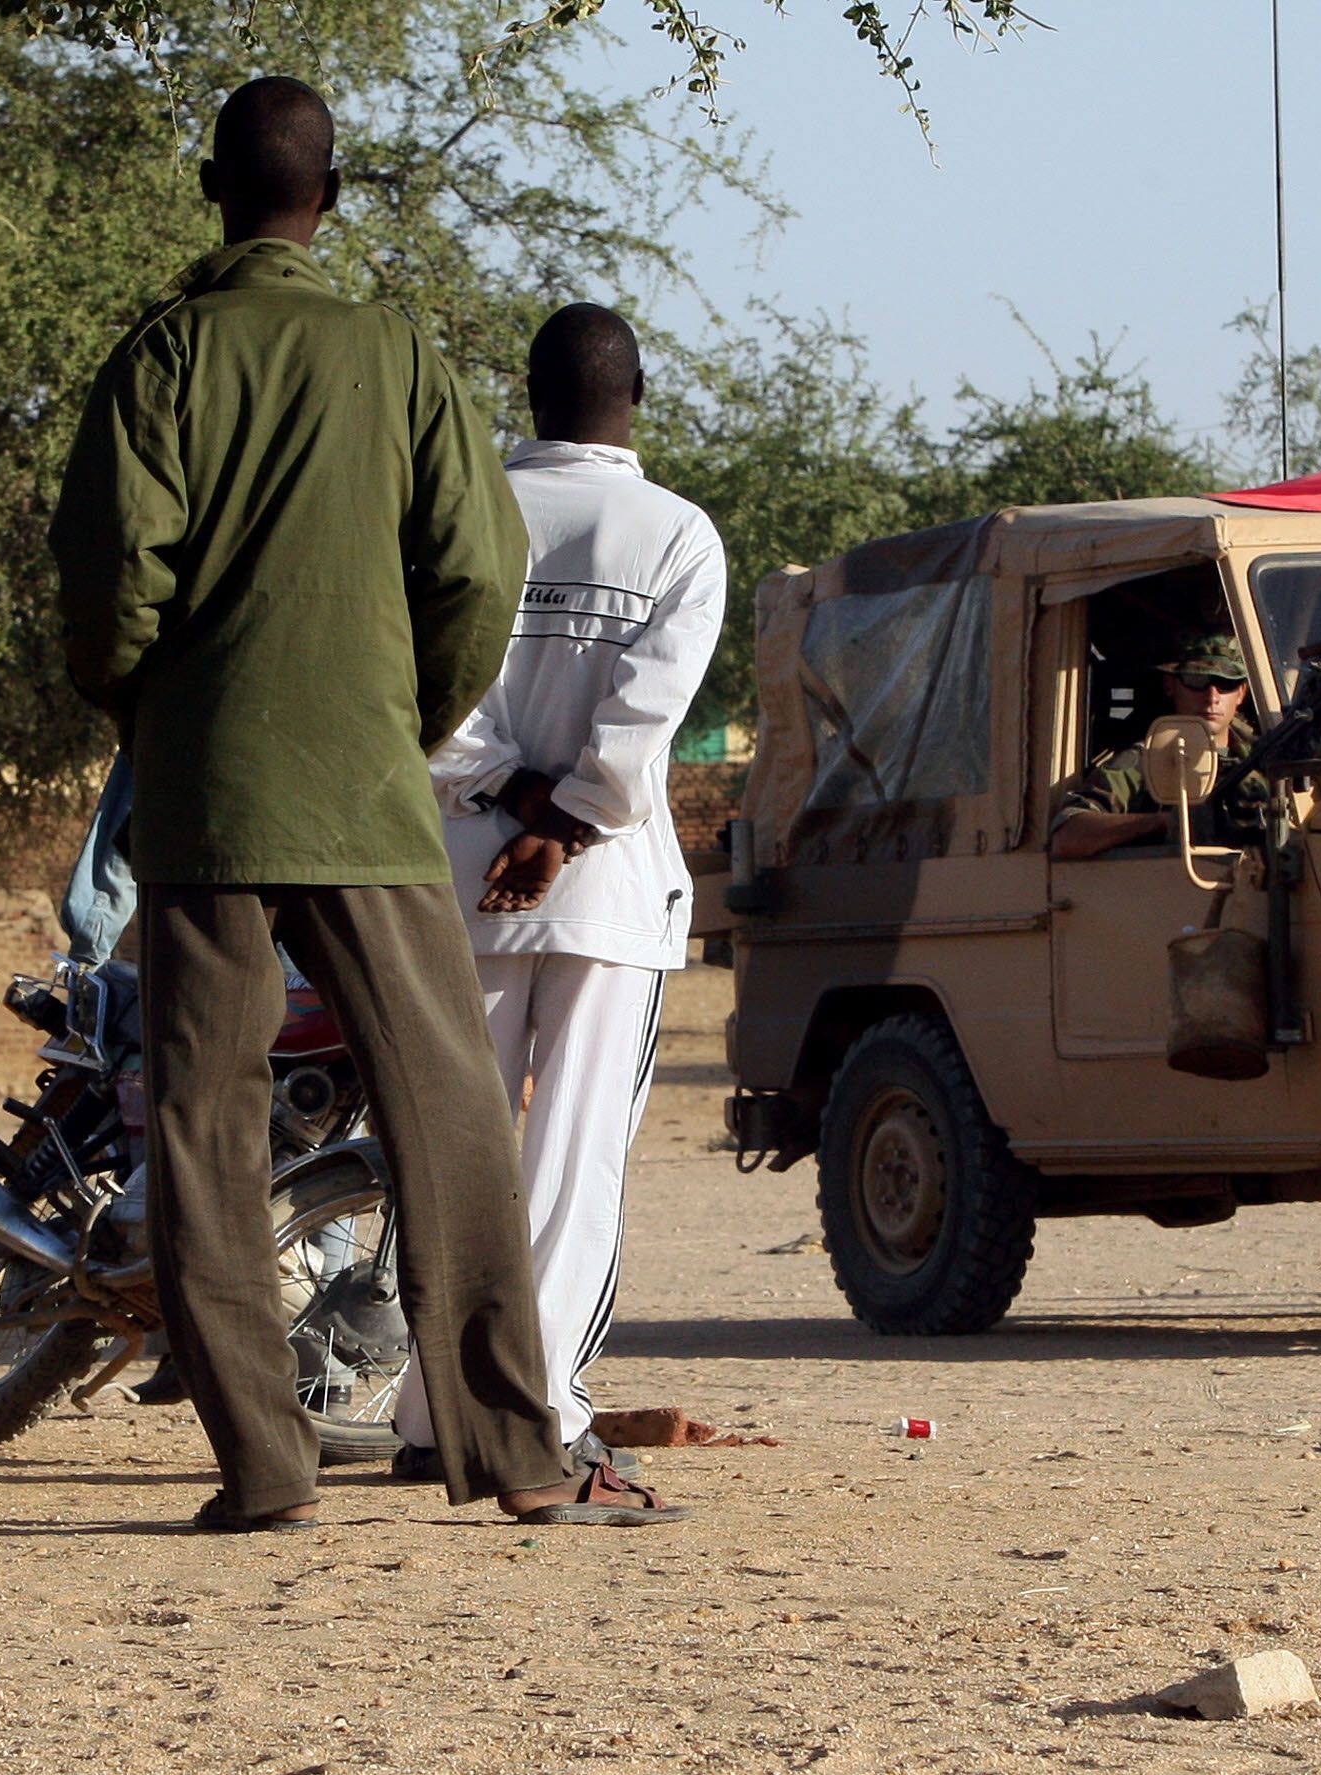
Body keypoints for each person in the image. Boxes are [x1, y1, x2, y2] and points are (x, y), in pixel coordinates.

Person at [50, 77, 679, 1534]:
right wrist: (403, 720)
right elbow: (478, 570)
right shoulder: (397, 355)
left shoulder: (161, 357)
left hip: (210, 802)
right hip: (372, 794)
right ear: (330, 197)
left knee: (205, 1124)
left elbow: (109, 584)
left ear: (213, 188)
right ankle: (520, 1451)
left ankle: (266, 1470)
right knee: (450, 1104)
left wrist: (162, 714)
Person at [396, 302, 726, 1482]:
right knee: (574, 1163)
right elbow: (645, 716)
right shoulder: (679, 533)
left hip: (459, 880)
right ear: (636, 393)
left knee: (455, 1156)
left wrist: (517, 797)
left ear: (529, 393)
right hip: (607, 898)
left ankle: (433, 1418)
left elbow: (429, 702)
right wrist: (571, 819)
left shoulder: (458, 516)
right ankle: (539, 1413)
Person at [1052, 629, 1262, 859]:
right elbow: (1068, 836)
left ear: (1241, 693)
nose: (1212, 697)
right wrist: (1165, 822)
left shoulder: (1265, 759)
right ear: (1171, 685)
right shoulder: (1147, 760)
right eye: (1197, 680)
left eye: (1226, 683)